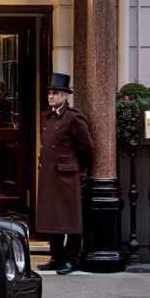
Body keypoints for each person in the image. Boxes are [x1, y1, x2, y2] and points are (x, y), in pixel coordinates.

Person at [35, 72, 93, 275]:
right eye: (50, 93)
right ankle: (56, 258)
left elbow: (86, 147)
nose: (51, 97)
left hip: (67, 176)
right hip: (48, 175)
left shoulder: (74, 118)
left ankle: (70, 260)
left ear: (65, 96)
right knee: (52, 219)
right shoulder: (46, 116)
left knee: (70, 219)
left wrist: (78, 168)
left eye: (55, 93)